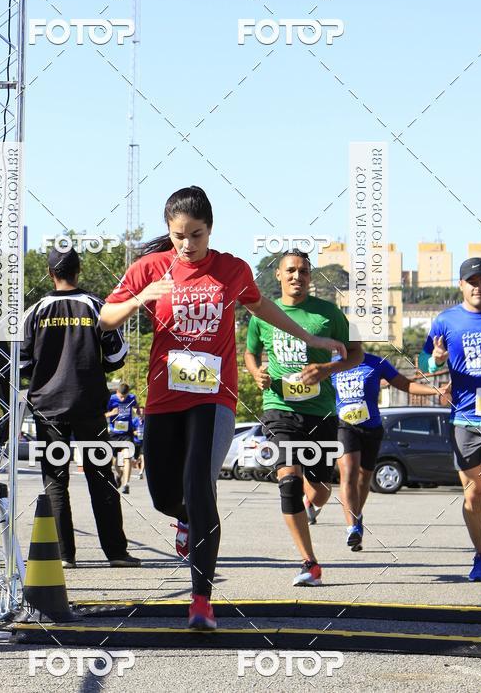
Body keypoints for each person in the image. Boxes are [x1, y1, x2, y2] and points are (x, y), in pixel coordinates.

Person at [100, 186, 347, 630]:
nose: (187, 245)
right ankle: (184, 521)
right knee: (163, 495)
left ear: (210, 229)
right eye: (178, 236)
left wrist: (309, 339)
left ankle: (201, 601)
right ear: (169, 232)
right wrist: (143, 296)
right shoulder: (150, 268)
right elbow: (106, 317)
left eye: (196, 235)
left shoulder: (231, 269)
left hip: (213, 396)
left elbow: (263, 307)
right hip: (163, 397)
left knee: (199, 485)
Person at [245, 249, 363, 587]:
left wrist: (327, 368)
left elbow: (356, 354)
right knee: (289, 479)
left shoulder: (330, 315)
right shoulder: (262, 314)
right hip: (279, 407)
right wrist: (257, 374)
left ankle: (312, 505)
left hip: (321, 411)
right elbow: (250, 353)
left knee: (322, 487)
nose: (298, 277)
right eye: (291, 271)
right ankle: (309, 563)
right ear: (279, 276)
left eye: (304, 272)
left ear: (310, 277)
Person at [20, 245, 141, 570]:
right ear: (79, 270)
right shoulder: (97, 307)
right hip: (88, 404)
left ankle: (63, 555)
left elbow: (20, 363)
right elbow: (117, 357)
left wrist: (46, 373)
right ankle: (116, 553)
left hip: (47, 408)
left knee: (55, 480)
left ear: (50, 274)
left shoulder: (35, 311)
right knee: (101, 477)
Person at [419, 257, 481, 581]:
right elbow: (424, 360)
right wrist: (435, 359)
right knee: (474, 494)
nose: (478, 286)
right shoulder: (446, 321)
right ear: (461, 285)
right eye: (472, 281)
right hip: (467, 419)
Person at [332, 352, 441, 551]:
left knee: (364, 479)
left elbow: (405, 384)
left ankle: (357, 515)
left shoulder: (376, 362)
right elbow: (311, 383)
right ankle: (352, 527)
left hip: (371, 428)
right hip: (344, 426)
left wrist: (435, 391)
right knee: (348, 473)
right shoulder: (331, 365)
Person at [106, 382, 141, 494]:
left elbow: (136, 407)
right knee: (116, 461)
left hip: (127, 433)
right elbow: (101, 414)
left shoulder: (131, 398)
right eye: (121, 396)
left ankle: (126, 485)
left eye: (124, 397)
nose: (122, 399)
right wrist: (111, 413)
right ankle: (119, 475)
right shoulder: (111, 399)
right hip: (114, 434)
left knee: (127, 458)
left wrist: (138, 411)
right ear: (117, 392)